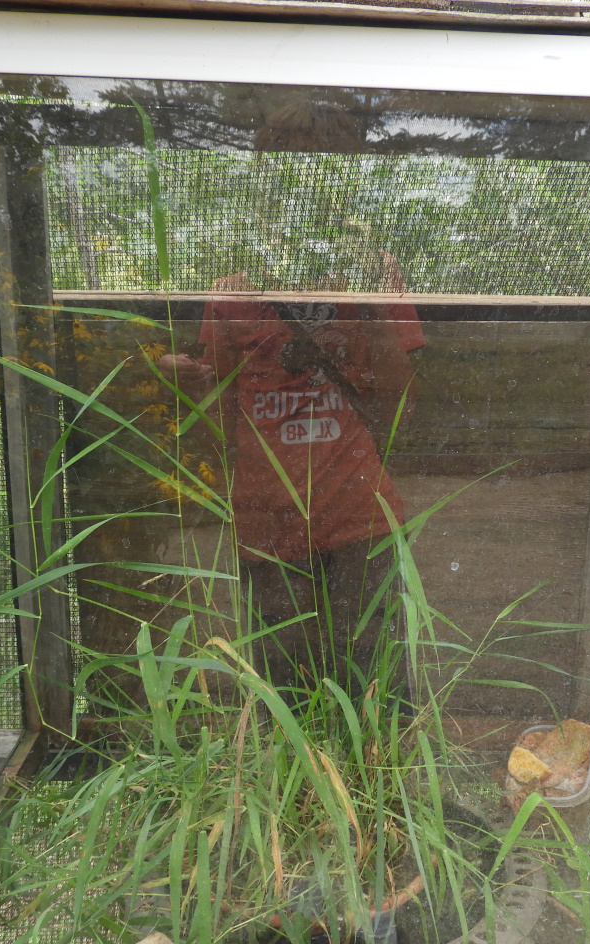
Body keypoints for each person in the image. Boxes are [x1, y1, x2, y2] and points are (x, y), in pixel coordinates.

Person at [160, 100, 426, 694]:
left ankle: (385, 789)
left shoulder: (373, 270)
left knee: (378, 684)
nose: (308, 182)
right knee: (284, 686)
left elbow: (400, 397)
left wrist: (368, 299)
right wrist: (192, 387)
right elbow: (221, 422)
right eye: (290, 167)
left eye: (327, 167)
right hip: (267, 519)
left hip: (361, 513)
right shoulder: (233, 288)